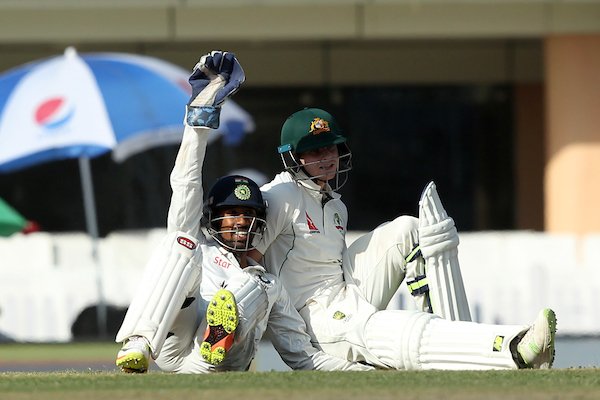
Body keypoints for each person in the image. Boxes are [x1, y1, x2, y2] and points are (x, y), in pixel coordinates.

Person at [114, 51, 372, 374]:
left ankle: (218, 337)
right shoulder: (202, 253)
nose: (240, 221)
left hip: (223, 363)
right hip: (176, 348)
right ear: (213, 218)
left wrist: (366, 373)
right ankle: (138, 342)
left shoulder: (270, 283)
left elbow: (304, 357)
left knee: (259, 283)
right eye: (232, 212)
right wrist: (197, 126)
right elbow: (185, 185)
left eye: (248, 214)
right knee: (180, 243)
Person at [248, 107, 557, 370]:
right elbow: (248, 266)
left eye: (331, 148)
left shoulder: (335, 205)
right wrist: (282, 338)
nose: (328, 157)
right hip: (313, 320)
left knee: (408, 229)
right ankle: (515, 348)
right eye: (316, 151)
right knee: (398, 330)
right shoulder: (279, 196)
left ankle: (448, 328)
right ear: (294, 157)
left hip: (344, 294)